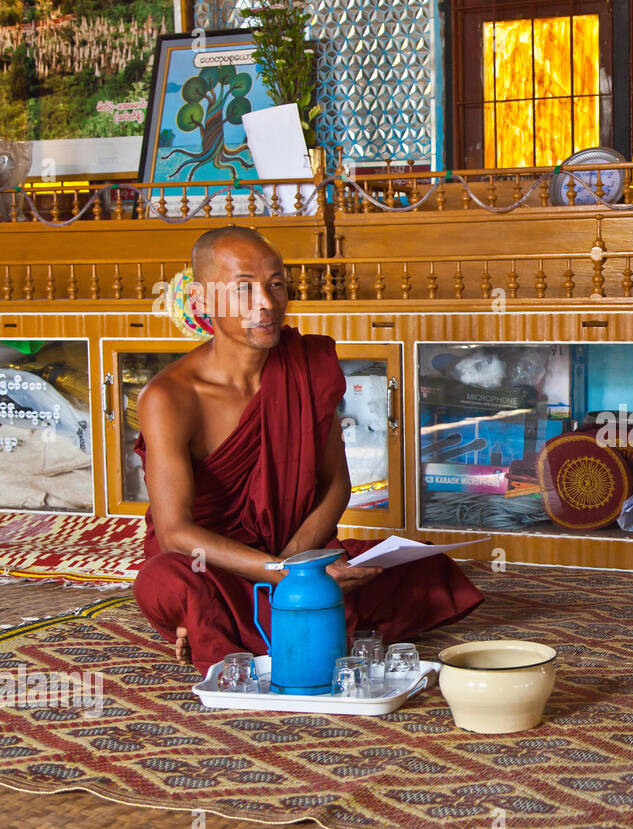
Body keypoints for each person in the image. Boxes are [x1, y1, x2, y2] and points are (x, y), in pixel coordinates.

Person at [132, 226, 483, 673]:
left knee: (418, 564)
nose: (266, 303)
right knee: (166, 581)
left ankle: (224, 627)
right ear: (203, 302)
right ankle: (266, 617)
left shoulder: (305, 366)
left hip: (291, 552)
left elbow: (336, 484)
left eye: (276, 284)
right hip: (215, 564)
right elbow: (176, 532)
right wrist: (286, 576)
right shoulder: (170, 397)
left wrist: (298, 565)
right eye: (244, 288)